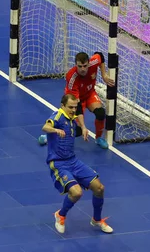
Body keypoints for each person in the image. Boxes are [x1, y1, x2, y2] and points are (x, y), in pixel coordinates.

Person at [43, 93, 113, 234]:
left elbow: (77, 118)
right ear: (62, 106)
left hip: (73, 161)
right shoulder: (57, 116)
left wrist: (84, 127)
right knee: (76, 192)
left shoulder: (72, 117)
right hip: (58, 163)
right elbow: (45, 127)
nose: (73, 110)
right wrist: (55, 130)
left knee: (99, 188)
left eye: (75, 107)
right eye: (70, 107)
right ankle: (60, 215)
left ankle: (97, 220)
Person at [39, 51, 115, 149]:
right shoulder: (71, 78)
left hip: (90, 93)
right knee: (77, 130)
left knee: (100, 113)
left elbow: (100, 55)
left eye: (85, 66)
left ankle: (98, 138)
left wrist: (104, 75)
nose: (83, 69)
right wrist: (83, 127)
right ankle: (51, 136)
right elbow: (77, 106)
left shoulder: (93, 62)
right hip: (75, 100)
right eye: (80, 66)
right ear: (76, 65)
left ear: (89, 63)